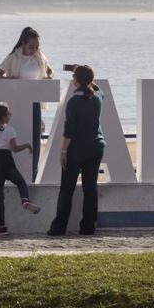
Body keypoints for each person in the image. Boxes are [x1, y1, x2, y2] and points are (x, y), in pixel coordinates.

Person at [48, 65, 105, 236]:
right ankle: (88, 227)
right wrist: (81, 71)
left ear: (76, 81)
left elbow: (69, 131)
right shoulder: (97, 97)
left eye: (74, 76)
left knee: (67, 189)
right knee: (90, 188)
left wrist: (63, 151)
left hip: (75, 150)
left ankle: (59, 227)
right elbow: (96, 87)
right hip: (96, 147)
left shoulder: (74, 102)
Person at [0, 27, 53, 182]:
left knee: (35, 138)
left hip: (34, 103)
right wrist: (12, 81)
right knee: (17, 137)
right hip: (16, 104)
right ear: (23, 44)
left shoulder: (40, 56)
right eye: (31, 46)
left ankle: (32, 174)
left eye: (37, 46)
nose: (34, 49)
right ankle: (15, 173)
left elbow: (49, 72)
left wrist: (47, 79)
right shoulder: (13, 57)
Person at [0, 105, 41, 235]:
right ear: (3, 116)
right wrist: (27, 145)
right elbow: (14, 149)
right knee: (20, 183)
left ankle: (1, 226)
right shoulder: (10, 130)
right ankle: (25, 201)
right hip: (6, 161)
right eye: (8, 114)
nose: (9, 116)